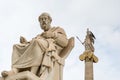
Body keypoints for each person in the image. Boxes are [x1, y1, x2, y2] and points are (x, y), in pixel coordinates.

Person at [1, 12, 68, 80]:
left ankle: (33, 71)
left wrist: (53, 35)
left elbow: (65, 42)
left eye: (45, 19)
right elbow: (31, 44)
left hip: (50, 47)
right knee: (16, 46)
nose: (43, 21)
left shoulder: (57, 29)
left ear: (50, 20)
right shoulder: (39, 35)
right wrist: (25, 42)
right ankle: (15, 70)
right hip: (40, 44)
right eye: (41, 20)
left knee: (36, 42)